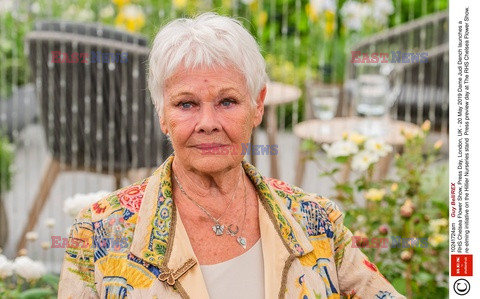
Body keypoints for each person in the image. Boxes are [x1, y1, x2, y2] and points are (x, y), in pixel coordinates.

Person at [58, 13, 405, 299]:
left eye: (227, 102)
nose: (208, 123)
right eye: (186, 104)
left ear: (257, 106)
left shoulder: (316, 221)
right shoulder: (100, 233)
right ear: (162, 114)